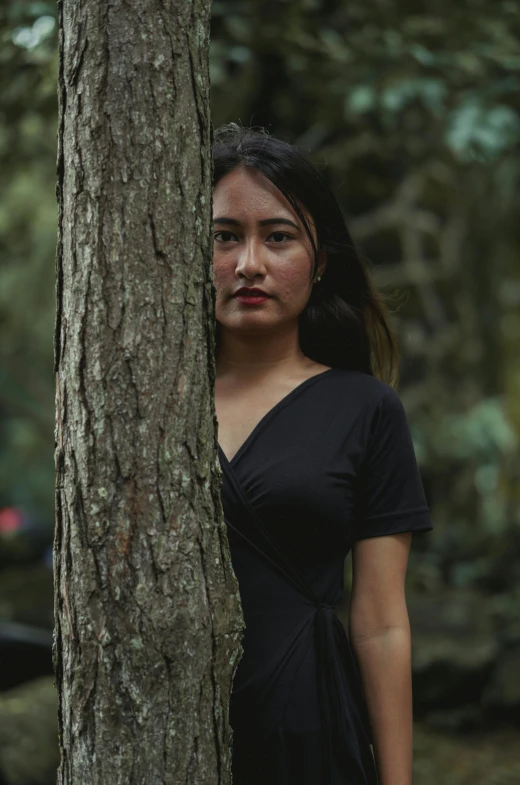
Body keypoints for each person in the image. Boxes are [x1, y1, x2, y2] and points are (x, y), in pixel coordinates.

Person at [212, 123, 433, 785]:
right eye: (226, 236)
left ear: (320, 258)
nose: (249, 263)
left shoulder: (365, 410)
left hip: (308, 728)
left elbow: (381, 621)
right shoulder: (148, 406)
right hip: (165, 728)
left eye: (277, 237)